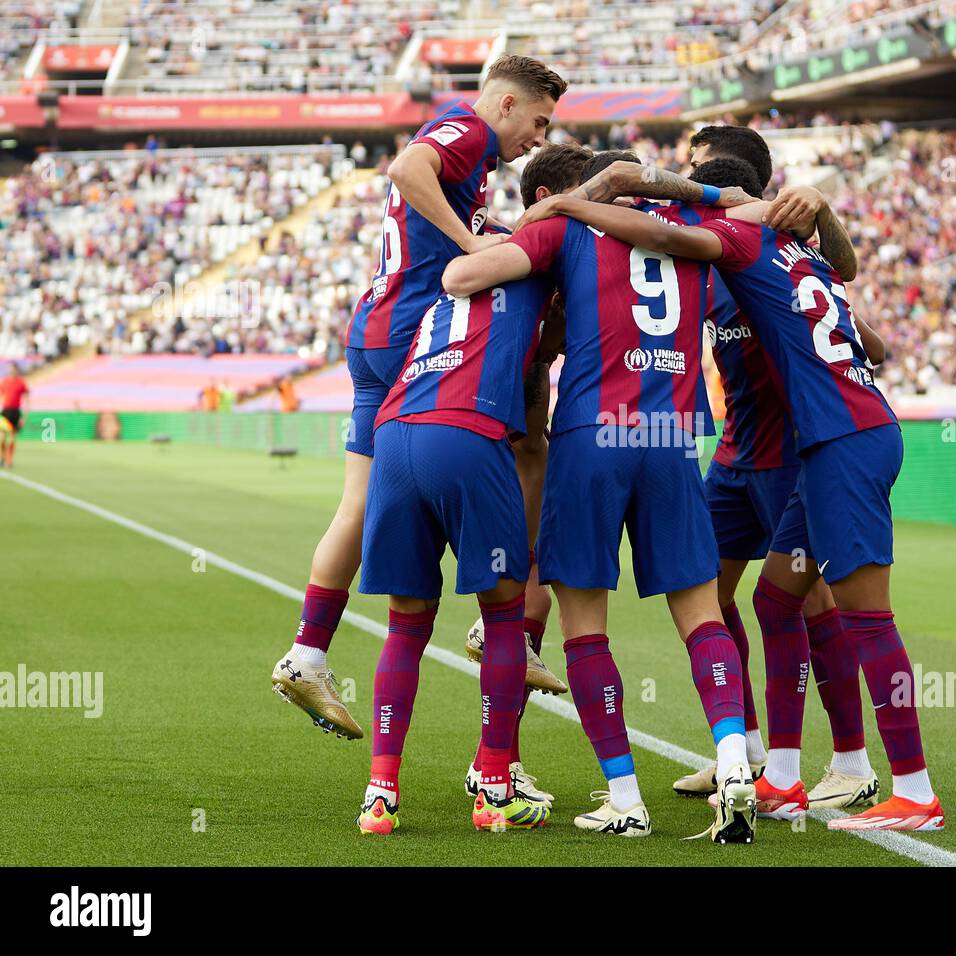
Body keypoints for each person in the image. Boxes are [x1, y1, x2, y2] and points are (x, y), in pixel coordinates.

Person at [513, 166, 946, 832]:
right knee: (774, 600)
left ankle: (912, 790)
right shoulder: (803, 259)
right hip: (837, 436)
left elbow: (661, 229)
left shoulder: (738, 243)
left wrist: (577, 203)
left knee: (867, 618)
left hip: (839, 439)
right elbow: (872, 334)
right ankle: (777, 776)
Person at [442, 167, 765, 845]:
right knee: (702, 613)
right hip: (672, 437)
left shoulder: (570, 228)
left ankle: (625, 798)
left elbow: (465, 278)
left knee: (586, 627)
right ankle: (736, 759)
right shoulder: (693, 235)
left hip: (593, 435)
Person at [270, 54, 568, 742]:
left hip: (372, 330)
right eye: (538, 120)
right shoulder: (465, 129)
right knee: (513, 445)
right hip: (412, 335)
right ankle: (504, 630)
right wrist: (474, 243)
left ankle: (308, 651)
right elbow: (407, 168)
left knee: (360, 498)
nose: (539, 137)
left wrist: (481, 232)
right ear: (504, 105)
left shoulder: (476, 157)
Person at [354, 143, 592, 835]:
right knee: (503, 618)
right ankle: (494, 786)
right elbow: (558, 337)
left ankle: (379, 795)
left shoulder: (457, 261)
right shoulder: (547, 250)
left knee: (405, 624)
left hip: (396, 432)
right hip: (465, 433)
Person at [1, 364, 29, 470]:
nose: (11, 370)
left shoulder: (21, 383)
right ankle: (2, 457)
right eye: (10, 369)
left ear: (17, 370)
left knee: (12, 438)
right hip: (5, 412)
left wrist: (24, 416)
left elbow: (26, 400)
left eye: (13, 369)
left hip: (16, 412)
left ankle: (9, 460)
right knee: (2, 438)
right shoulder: (4, 382)